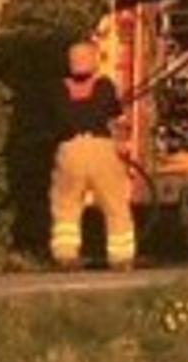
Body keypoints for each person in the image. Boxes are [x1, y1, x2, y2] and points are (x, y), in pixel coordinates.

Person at [49, 41, 140, 271]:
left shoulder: (58, 88)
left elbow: (57, 118)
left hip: (69, 150)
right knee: (115, 204)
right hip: (102, 149)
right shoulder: (104, 85)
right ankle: (121, 258)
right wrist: (123, 142)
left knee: (66, 206)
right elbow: (116, 119)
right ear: (95, 60)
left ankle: (65, 256)